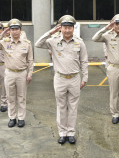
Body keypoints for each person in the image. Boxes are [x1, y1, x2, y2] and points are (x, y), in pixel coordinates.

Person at [36, 15, 88, 144]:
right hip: (60, 78)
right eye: (64, 27)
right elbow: (38, 44)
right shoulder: (53, 41)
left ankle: (71, 132)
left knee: (73, 107)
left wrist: (85, 77)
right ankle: (62, 133)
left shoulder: (79, 42)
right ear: (60, 28)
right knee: (61, 106)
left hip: (75, 78)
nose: (67, 30)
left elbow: (84, 61)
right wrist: (51, 32)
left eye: (70, 27)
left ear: (73, 28)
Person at [0, 19, 33, 127]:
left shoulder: (27, 43)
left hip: (22, 73)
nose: (15, 31)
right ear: (9, 30)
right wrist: (1, 34)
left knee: (21, 97)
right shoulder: (5, 42)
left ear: (20, 30)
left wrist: (30, 74)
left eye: (17, 29)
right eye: (12, 29)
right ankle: (12, 117)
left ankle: (21, 118)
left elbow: (30, 60)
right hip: (9, 73)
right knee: (10, 97)